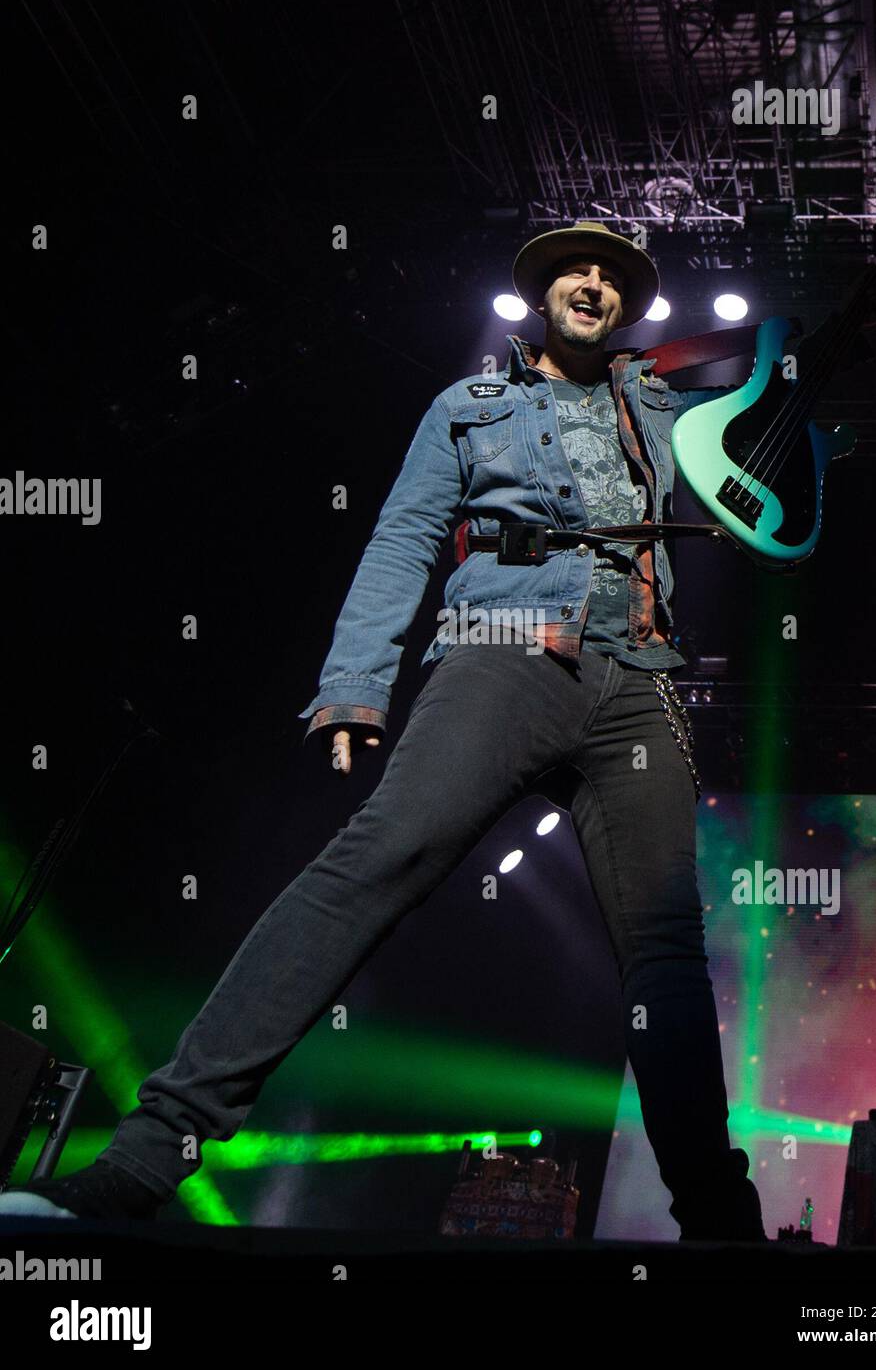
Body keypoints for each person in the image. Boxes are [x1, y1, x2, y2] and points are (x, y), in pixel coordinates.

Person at [0, 221, 768, 1240]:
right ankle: (141, 1164)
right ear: (541, 298)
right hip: (504, 645)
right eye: (573, 273)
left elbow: (765, 423)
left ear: (627, 307)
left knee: (666, 952)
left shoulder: (661, 406)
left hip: (636, 675)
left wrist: (844, 333)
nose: (592, 285)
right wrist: (353, 685)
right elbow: (404, 533)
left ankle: (719, 1220)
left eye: (611, 278)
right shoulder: (469, 404)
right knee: (373, 860)